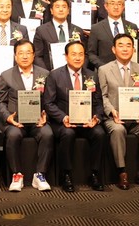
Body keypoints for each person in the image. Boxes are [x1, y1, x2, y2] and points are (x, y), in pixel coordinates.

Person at [42, 41, 106, 192]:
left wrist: (96, 118)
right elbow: (48, 103)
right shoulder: (54, 75)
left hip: (87, 121)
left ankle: (94, 174)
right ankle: (66, 175)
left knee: (100, 133)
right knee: (68, 133)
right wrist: (64, 117)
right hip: (64, 122)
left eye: (81, 54)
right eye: (74, 54)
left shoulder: (92, 75)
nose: (78, 58)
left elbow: (99, 102)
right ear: (66, 56)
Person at [97, 34, 139, 190]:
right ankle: (121, 172)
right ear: (113, 49)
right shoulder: (104, 70)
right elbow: (103, 97)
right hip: (114, 117)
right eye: (121, 45)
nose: (125, 49)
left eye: (128, 45)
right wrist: (112, 111)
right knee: (118, 130)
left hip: (136, 117)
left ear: (133, 49)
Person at [0, 39, 53, 192]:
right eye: (20, 53)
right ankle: (17, 175)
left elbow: (49, 100)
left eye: (28, 53)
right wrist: (8, 117)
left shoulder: (45, 74)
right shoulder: (6, 75)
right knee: (13, 135)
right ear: (15, 56)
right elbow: (0, 101)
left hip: (37, 121)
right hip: (15, 121)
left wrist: (46, 116)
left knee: (47, 134)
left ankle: (40, 175)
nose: (24, 56)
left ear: (34, 55)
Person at [88, 0, 139, 70]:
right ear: (106, 6)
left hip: (128, 70)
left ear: (123, 6)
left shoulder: (132, 27)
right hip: (105, 71)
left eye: (119, 4)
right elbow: (91, 53)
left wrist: (133, 66)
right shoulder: (96, 28)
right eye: (112, 3)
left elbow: (138, 50)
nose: (116, 7)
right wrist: (104, 68)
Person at [33, 0, 87, 71]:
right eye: (57, 7)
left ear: (68, 10)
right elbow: (37, 56)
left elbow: (85, 54)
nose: (61, 10)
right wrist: (46, 73)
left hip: (74, 72)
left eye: (64, 7)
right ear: (51, 10)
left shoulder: (78, 30)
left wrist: (79, 69)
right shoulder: (41, 30)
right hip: (50, 72)